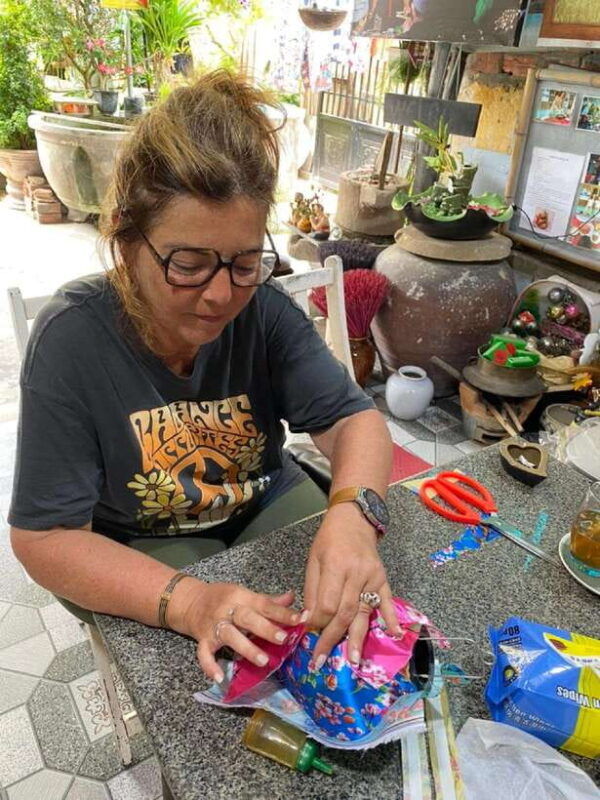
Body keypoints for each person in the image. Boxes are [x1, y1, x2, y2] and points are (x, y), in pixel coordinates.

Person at [9, 71, 396, 684]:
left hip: (261, 497)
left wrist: (353, 515)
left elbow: (356, 420)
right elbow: (46, 537)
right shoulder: (73, 341)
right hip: (139, 538)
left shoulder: (264, 312)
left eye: (244, 263)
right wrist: (190, 601)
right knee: (206, 686)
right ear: (125, 240)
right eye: (187, 265)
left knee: (344, 639)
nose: (221, 295)